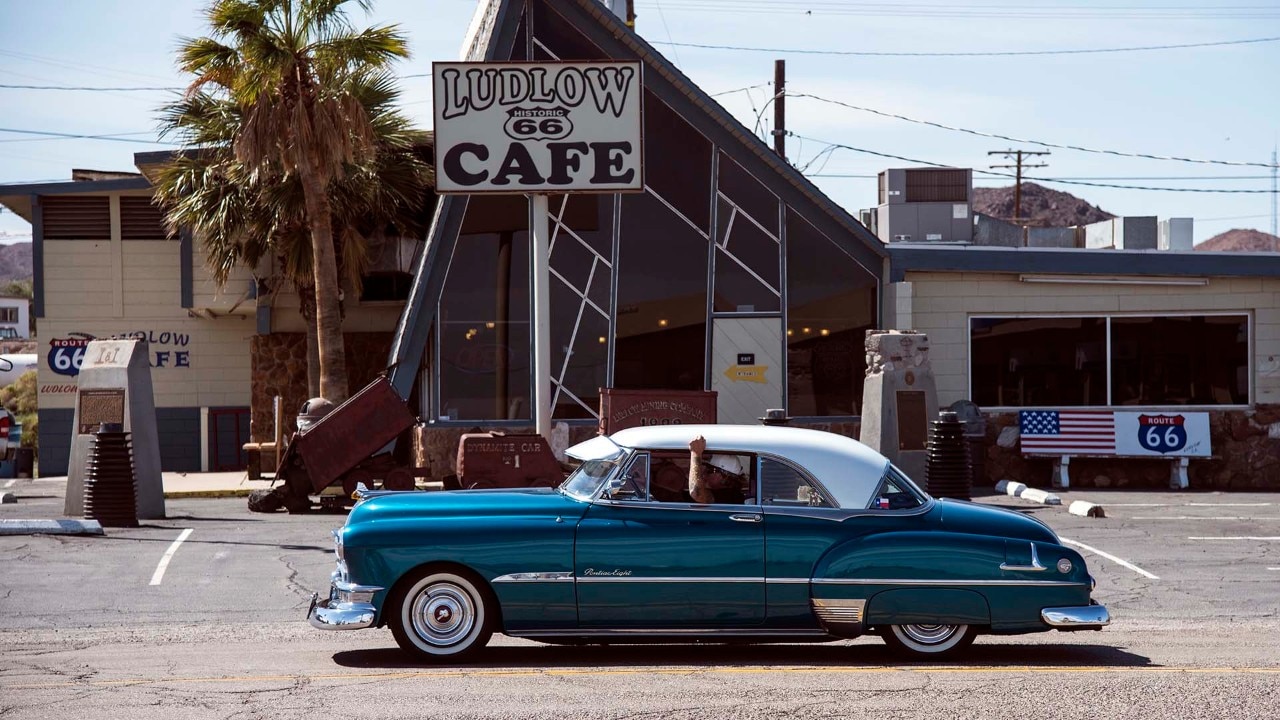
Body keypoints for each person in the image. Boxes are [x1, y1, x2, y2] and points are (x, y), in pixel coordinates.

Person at [687, 435, 749, 504]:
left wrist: (696, 454)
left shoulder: (728, 495)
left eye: (709, 471)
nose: (704, 475)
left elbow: (696, 493)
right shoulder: (730, 493)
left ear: (724, 477)